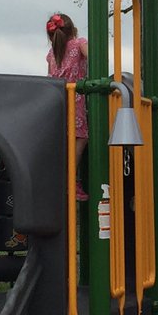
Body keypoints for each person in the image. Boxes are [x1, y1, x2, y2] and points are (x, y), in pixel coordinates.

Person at [45, 12, 90, 201]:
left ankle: (59, 178)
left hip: (57, 99)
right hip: (75, 98)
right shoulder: (79, 43)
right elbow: (93, 57)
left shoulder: (51, 54)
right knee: (81, 138)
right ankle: (70, 180)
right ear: (73, 30)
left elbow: (49, 77)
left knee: (64, 140)